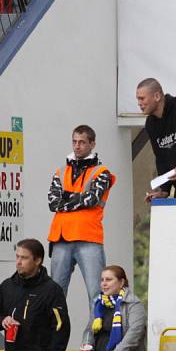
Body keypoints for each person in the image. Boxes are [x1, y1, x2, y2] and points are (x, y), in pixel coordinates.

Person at [47, 125, 116, 306]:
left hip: (88, 237)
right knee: (55, 295)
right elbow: (53, 203)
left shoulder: (102, 172)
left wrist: (67, 198)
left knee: (98, 294)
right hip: (61, 238)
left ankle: (94, 335)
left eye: (82, 142)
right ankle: (57, 334)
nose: (77, 146)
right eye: (74, 142)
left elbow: (92, 199)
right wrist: (78, 199)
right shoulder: (61, 171)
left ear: (92, 144)